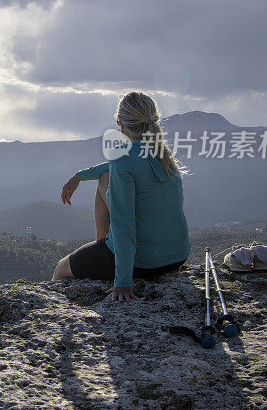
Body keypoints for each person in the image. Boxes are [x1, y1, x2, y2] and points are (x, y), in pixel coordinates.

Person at [52, 91, 190, 302]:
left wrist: (123, 283)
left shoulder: (122, 158)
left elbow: (124, 225)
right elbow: (117, 166)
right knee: (104, 178)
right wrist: (80, 176)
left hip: (142, 263)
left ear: (120, 122)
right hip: (176, 257)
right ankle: (102, 245)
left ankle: (104, 251)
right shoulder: (162, 153)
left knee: (61, 268)